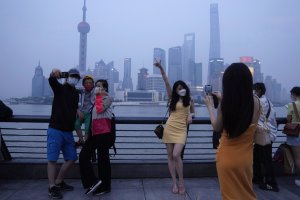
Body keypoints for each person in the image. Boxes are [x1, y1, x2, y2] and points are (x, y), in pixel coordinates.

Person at [205, 63, 260, 200]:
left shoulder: (226, 104)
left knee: (229, 195)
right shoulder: (257, 101)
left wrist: (211, 107)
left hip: (227, 157)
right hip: (246, 159)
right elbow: (243, 113)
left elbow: (217, 127)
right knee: (246, 193)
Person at [154, 59, 195, 195]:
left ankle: (182, 182)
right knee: (170, 156)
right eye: (178, 89)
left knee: (177, 154)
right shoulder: (172, 98)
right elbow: (166, 81)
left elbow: (193, 112)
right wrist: (160, 67)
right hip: (169, 128)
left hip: (181, 130)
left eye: (181, 88)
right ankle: (174, 183)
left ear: (185, 89)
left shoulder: (190, 99)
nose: (180, 90)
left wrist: (191, 116)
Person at [47, 68, 80, 199]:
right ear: (67, 77)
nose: (75, 78)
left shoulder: (76, 93)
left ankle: (59, 182)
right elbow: (52, 81)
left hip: (68, 131)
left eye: (77, 77)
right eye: (72, 76)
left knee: (72, 157)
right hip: (55, 129)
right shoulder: (59, 88)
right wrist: (53, 74)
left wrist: (78, 110)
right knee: (52, 159)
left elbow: (73, 107)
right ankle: (51, 186)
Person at [79, 79, 114, 196]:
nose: (96, 88)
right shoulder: (95, 100)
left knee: (103, 161)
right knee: (83, 156)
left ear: (105, 89)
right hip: (94, 134)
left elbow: (100, 109)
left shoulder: (108, 99)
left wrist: (99, 95)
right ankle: (93, 182)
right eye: (96, 86)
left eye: (99, 86)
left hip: (104, 134)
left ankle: (105, 186)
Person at [252, 82, 279, 192]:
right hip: (268, 133)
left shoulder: (259, 101)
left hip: (264, 134)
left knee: (266, 160)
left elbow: (252, 116)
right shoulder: (268, 101)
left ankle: (272, 183)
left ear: (258, 90)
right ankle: (258, 178)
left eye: (254, 90)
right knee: (257, 157)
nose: (253, 92)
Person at [74, 75, 95, 147]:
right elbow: (72, 89)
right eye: (86, 83)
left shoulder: (95, 91)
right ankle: (81, 140)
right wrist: (77, 110)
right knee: (76, 124)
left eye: (90, 83)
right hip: (81, 112)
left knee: (87, 128)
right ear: (83, 84)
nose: (88, 84)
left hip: (89, 113)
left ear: (93, 84)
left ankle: (86, 143)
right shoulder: (81, 91)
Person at [286, 86, 300, 187]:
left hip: (296, 134)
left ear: (294, 95)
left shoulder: (292, 105)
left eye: (291, 94)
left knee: (297, 158)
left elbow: (288, 120)